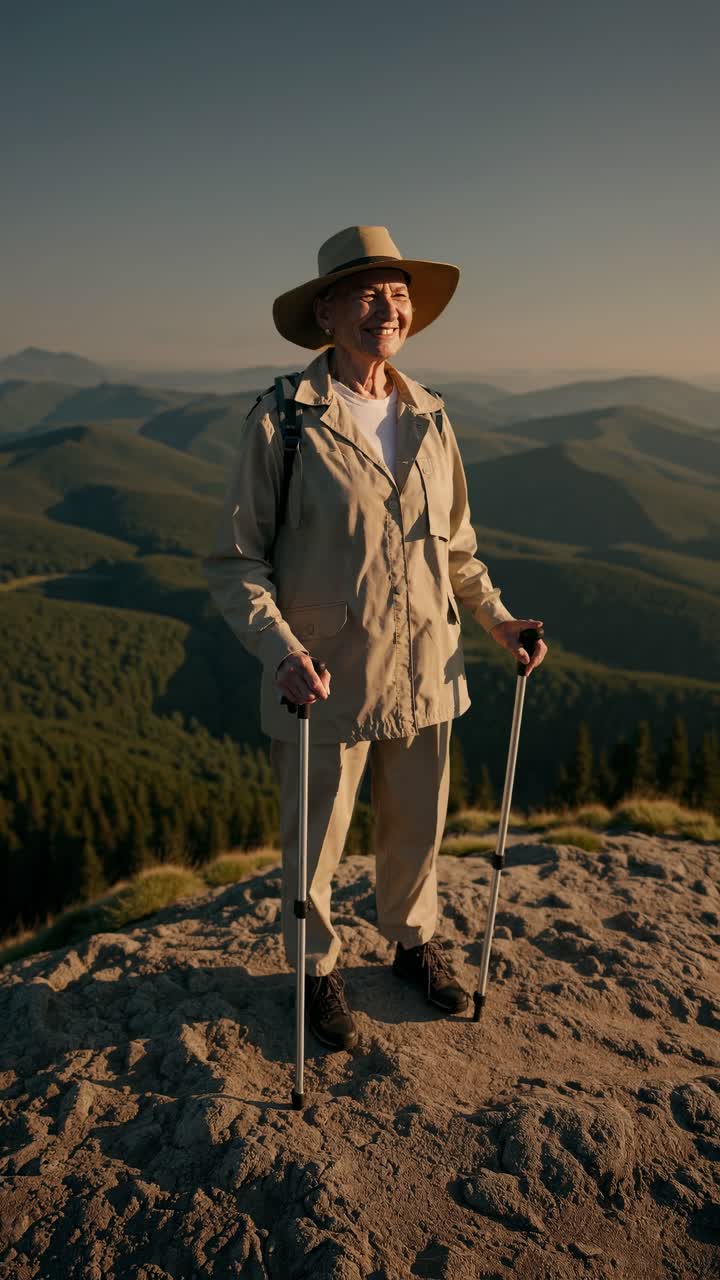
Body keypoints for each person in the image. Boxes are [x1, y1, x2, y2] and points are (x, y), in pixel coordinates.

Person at [203, 225, 548, 1052]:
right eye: (363, 292)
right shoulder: (284, 418)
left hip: (429, 660)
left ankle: (410, 943)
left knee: (417, 823)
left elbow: (457, 546)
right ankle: (317, 967)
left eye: (397, 294)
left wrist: (498, 619)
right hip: (322, 671)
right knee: (315, 833)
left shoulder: (430, 415)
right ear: (325, 312)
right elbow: (234, 560)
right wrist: (280, 650)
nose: (384, 307)